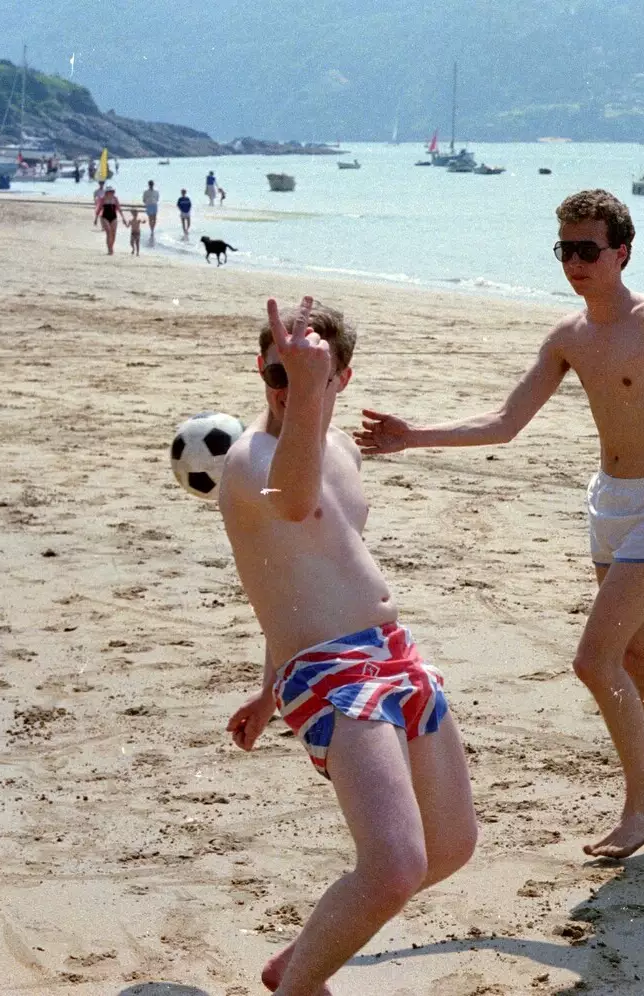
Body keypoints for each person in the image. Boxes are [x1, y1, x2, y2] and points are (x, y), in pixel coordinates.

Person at [357, 189, 644, 860]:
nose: (575, 263)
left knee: (595, 660)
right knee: (640, 657)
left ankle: (643, 805)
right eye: (565, 250)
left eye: (588, 250)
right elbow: (505, 423)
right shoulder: (568, 337)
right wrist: (413, 437)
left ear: (621, 252)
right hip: (608, 501)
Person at [220, 296, 475, 996]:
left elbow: (299, 570)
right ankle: (300, 989)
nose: (287, 383)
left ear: (344, 378)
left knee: (449, 848)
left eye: (310, 371)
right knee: (393, 865)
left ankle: (298, 960)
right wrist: (304, 394)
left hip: (394, 651)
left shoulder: (340, 448)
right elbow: (294, 503)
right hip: (331, 673)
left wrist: (267, 687)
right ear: (262, 365)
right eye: (278, 369)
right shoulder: (250, 458)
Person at [97, 186, 120, 255]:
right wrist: (96, 218)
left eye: (112, 191)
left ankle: (111, 247)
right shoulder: (103, 199)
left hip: (114, 217)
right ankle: (109, 249)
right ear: (107, 192)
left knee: (113, 234)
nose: (111, 193)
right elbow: (99, 208)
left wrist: (123, 218)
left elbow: (119, 208)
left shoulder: (115, 199)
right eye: (110, 191)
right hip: (105, 216)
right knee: (108, 232)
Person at [142, 180, 159, 246]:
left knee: (154, 218)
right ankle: (151, 229)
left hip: (154, 205)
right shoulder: (146, 192)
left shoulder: (156, 191)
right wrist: (147, 202)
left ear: (153, 184)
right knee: (150, 218)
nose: (151, 185)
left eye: (152, 184)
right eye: (150, 184)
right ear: (149, 185)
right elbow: (143, 199)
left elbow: (157, 199)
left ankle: (152, 229)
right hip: (149, 205)